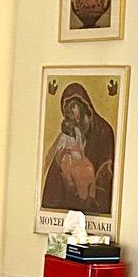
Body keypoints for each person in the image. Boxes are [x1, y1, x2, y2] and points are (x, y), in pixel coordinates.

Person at [40, 80, 118, 214]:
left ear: (83, 105)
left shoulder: (103, 130)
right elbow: (56, 164)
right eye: (66, 111)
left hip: (93, 189)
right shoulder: (69, 132)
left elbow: (106, 167)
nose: (70, 113)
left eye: (72, 107)